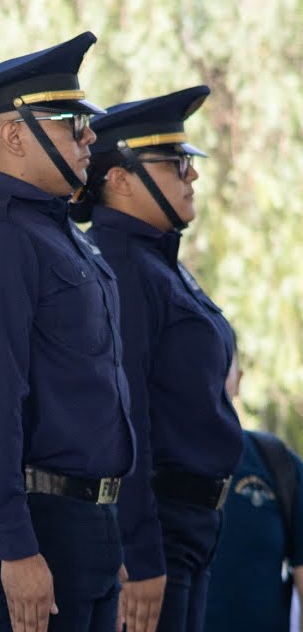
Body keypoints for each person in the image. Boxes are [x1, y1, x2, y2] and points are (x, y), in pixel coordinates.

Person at [0, 32, 136, 632]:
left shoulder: (55, 232)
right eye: (72, 122)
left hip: (83, 521)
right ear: (15, 135)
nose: (90, 136)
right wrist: (15, 547)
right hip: (34, 521)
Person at [72, 86, 241, 632]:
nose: (191, 176)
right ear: (119, 179)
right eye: (174, 163)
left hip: (189, 524)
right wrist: (140, 551)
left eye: (188, 162)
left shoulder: (157, 261)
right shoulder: (122, 263)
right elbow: (127, 415)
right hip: (158, 525)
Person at [206, 338, 303, 632]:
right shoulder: (147, 469)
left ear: (239, 380)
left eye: (222, 365)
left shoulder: (278, 464)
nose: (211, 376)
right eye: (201, 365)